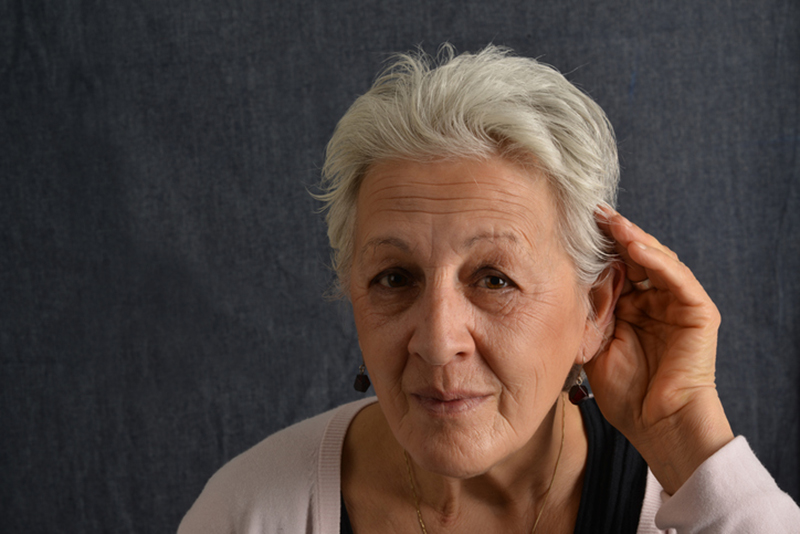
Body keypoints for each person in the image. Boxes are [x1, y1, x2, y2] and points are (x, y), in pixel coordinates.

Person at [178, 44, 799, 533]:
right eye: (394, 278)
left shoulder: (694, 508)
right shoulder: (251, 512)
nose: (438, 341)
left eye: (495, 279)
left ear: (596, 306)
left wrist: (684, 439)